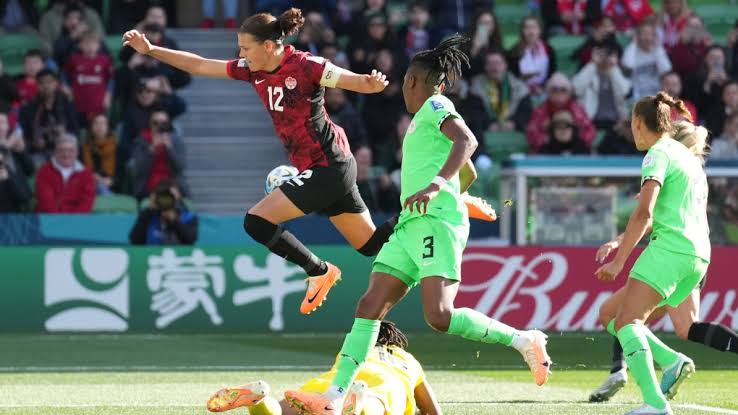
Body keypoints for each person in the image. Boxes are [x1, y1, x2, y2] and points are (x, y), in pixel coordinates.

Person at [282, 36, 551, 415]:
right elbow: (468, 171)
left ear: (415, 81)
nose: (405, 88)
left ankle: (525, 339)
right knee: (370, 304)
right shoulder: (422, 123)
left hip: (433, 224)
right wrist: (459, 194)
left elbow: (468, 142)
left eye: (407, 80)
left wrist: (438, 188)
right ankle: (335, 396)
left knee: (439, 316)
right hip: (410, 226)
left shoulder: (437, 105)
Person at [122, 7, 398, 316]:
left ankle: (318, 271)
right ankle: (423, 208)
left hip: (329, 165)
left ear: (268, 46)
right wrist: (150, 50)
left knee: (256, 221)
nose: (240, 53)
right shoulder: (252, 69)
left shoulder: (306, 65)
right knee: (370, 245)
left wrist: (370, 83)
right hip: (325, 168)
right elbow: (199, 65)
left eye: (245, 47)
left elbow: (352, 81)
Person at [590, 120, 738, 404]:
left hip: (672, 257)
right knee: (678, 327)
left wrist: (619, 248)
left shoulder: (670, 165)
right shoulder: (694, 173)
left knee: (624, 317)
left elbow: (647, 216)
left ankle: (639, 374)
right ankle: (663, 363)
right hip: (694, 257)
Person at [206, 321, 442, 415]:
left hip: (330, 387)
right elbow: (433, 411)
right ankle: (358, 407)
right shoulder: (409, 361)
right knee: (375, 406)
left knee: (280, 412)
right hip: (380, 390)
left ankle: (258, 399)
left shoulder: (352, 349)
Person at [18, 68, 79, 163]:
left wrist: (65, 135)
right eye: (41, 83)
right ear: (37, 86)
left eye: (49, 82)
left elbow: (75, 131)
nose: (46, 86)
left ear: (55, 84)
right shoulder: (28, 109)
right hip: (38, 153)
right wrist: (34, 143)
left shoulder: (66, 105)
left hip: (64, 151)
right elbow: (23, 136)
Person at [527, 72, 595, 153]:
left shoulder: (578, 109)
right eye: (554, 90)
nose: (559, 94)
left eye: (563, 90)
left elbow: (590, 131)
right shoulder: (540, 110)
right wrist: (548, 139)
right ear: (549, 93)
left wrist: (573, 138)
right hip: (548, 147)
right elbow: (531, 132)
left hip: (574, 147)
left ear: (569, 93)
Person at [130, 110, 187, 199]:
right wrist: (151, 149)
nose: (160, 126)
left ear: (169, 125)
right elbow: (138, 169)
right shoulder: (142, 140)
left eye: (164, 123)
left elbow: (181, 167)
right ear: (150, 124)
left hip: (172, 186)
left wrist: (170, 149)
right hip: (148, 187)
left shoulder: (176, 140)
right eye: (155, 123)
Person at [572, 44, 631, 129]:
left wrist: (613, 67)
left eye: (609, 54)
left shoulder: (616, 72)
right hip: (592, 121)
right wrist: (593, 64)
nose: (605, 58)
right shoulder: (589, 72)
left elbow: (625, 92)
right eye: (601, 54)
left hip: (616, 122)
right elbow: (577, 89)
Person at [62, 30, 113, 125]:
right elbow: (64, 74)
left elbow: (111, 79)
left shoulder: (105, 60)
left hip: (98, 104)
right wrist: (65, 86)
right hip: (78, 104)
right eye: (86, 43)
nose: (90, 46)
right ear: (80, 45)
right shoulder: (74, 59)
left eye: (93, 43)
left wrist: (108, 95)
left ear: (99, 45)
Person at [35, 133, 95, 213]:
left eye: (71, 151)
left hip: (77, 221)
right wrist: (60, 221)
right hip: (49, 219)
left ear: (77, 153)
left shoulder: (86, 173)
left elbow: (86, 202)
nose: (66, 154)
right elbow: (46, 202)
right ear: (55, 152)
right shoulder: (44, 171)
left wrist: (72, 221)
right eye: (62, 150)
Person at [129, 179, 198, 245]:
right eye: (165, 195)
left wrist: (175, 221)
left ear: (179, 196)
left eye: (172, 195)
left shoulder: (188, 217)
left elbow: (190, 241)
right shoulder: (148, 215)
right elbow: (135, 241)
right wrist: (148, 211)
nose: (168, 199)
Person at [622, 18, 672, 100]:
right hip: (637, 96)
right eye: (644, 34)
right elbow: (627, 65)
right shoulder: (632, 50)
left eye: (650, 34)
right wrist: (634, 42)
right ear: (638, 35)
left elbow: (666, 69)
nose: (647, 37)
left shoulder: (657, 50)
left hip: (657, 95)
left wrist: (657, 47)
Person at [507, 16, 556, 95]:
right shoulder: (514, 51)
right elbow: (512, 76)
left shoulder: (549, 50)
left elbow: (552, 73)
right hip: (520, 89)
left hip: (544, 89)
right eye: (527, 28)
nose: (531, 31)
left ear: (540, 30)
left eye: (534, 27)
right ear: (522, 31)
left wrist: (543, 87)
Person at [81, 113, 117, 194]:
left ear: (108, 127)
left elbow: (121, 172)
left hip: (112, 186)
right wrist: (99, 179)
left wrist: (112, 181)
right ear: (91, 127)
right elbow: (82, 170)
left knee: (101, 188)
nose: (99, 126)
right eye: (96, 123)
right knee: (99, 186)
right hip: (90, 184)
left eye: (103, 123)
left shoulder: (117, 148)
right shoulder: (84, 148)